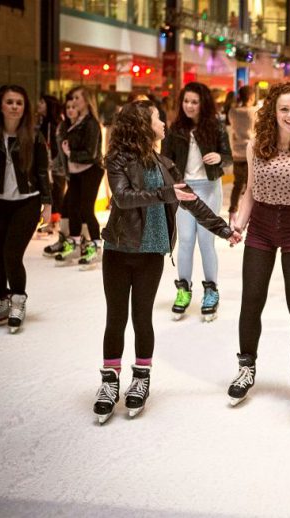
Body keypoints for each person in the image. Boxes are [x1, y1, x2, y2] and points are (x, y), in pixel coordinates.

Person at [93, 101, 240, 424]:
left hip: (151, 253)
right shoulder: (117, 160)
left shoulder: (164, 164)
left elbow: (191, 202)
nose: (164, 123)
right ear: (144, 125)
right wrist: (165, 194)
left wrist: (223, 229)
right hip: (119, 249)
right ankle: (109, 382)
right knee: (116, 318)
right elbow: (122, 197)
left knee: (142, 317)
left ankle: (141, 377)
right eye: (158, 118)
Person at [226, 83, 290, 407]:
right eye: (285, 109)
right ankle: (246, 367)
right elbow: (250, 190)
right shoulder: (256, 145)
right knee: (252, 299)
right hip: (262, 228)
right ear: (273, 112)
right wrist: (239, 222)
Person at [0, 85, 52, 333]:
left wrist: (47, 205)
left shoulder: (34, 135)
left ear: (25, 107)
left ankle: (18, 299)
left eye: (19, 102)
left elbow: (42, 172)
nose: (14, 107)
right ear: (0, 105)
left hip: (27, 203)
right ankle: (0, 301)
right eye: (9, 102)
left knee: (11, 254)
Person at [161, 82, 233, 322]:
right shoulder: (175, 128)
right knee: (186, 241)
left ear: (203, 103)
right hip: (185, 189)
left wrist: (219, 158)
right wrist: (172, 187)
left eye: (194, 102)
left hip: (209, 188)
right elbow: (165, 160)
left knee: (205, 241)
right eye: (186, 101)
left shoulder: (215, 126)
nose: (189, 106)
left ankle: (211, 290)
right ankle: (183, 289)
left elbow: (228, 156)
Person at [55, 86, 104, 269]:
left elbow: (91, 153)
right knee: (72, 207)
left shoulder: (91, 123)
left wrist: (70, 153)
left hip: (91, 170)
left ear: (86, 101)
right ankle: (75, 243)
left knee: (86, 209)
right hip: (75, 172)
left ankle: (96, 245)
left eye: (77, 98)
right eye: (73, 98)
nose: (73, 101)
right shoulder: (74, 122)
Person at [43, 94, 77, 259]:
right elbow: (60, 156)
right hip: (70, 174)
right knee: (67, 208)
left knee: (78, 209)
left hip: (85, 174)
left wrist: (71, 156)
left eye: (74, 107)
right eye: (68, 107)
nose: (71, 110)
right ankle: (66, 240)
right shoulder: (63, 127)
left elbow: (89, 153)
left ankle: (81, 243)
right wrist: (52, 165)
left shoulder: (83, 127)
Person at [228, 85, 257, 221]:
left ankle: (232, 212)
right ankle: (248, 215)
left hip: (237, 154)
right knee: (250, 186)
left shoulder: (233, 112)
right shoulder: (254, 112)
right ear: (251, 97)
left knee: (237, 184)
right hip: (250, 154)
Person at [37, 95, 63, 234]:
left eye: (41, 102)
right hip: (50, 164)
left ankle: (55, 222)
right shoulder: (43, 122)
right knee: (52, 191)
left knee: (56, 193)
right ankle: (52, 221)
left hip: (55, 165)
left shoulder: (53, 124)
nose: (38, 104)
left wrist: (53, 163)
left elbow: (53, 146)